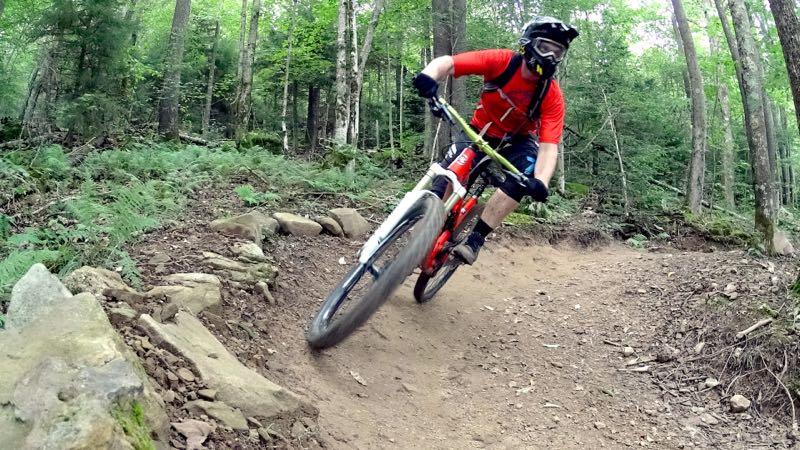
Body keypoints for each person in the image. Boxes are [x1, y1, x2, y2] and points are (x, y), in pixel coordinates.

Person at [412, 16, 579, 265]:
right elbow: (448, 63)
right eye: (546, 47)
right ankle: (421, 235)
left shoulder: (552, 95)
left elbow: (548, 145)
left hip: (518, 141)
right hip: (481, 131)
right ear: (529, 43)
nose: (551, 57)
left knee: (525, 176)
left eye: (558, 52)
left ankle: (475, 241)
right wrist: (429, 77)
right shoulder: (502, 61)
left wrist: (541, 182)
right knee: (444, 181)